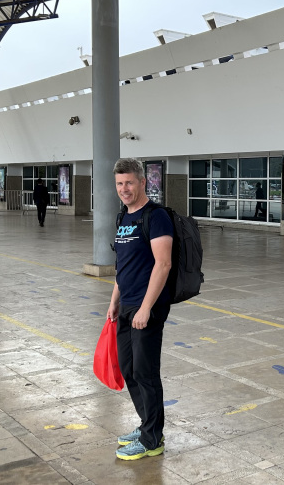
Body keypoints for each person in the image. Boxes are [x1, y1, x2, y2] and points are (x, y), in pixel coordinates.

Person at [107, 157, 173, 461]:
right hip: (126, 304)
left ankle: (152, 439)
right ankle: (148, 424)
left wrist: (145, 308)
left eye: (129, 182)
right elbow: (123, 265)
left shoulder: (156, 217)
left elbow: (163, 264)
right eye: (119, 183)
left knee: (145, 373)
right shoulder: (123, 216)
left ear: (143, 182)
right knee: (129, 368)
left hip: (148, 306)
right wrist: (114, 300)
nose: (124, 188)